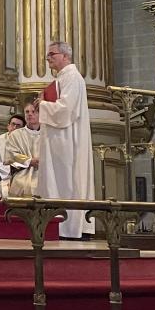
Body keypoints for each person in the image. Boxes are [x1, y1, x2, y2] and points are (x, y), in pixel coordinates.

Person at [38, 41, 94, 240]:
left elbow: (66, 110)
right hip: (58, 138)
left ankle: (69, 228)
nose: (48, 58)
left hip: (67, 139)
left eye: (52, 54)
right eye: (48, 55)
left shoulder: (71, 77)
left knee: (68, 181)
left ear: (65, 56)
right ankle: (60, 225)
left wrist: (42, 105)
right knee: (60, 181)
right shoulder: (62, 78)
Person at [0, 99, 42, 199]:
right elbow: (11, 154)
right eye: (27, 112)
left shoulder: (48, 135)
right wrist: (29, 161)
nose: (30, 114)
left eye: (33, 112)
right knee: (22, 183)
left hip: (43, 172)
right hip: (23, 172)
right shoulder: (16, 134)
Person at [0, 113, 26, 185]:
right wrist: (10, 170)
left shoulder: (25, 143)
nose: (14, 127)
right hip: (1, 176)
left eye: (18, 126)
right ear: (8, 126)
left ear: (23, 129)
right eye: (13, 124)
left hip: (22, 176)